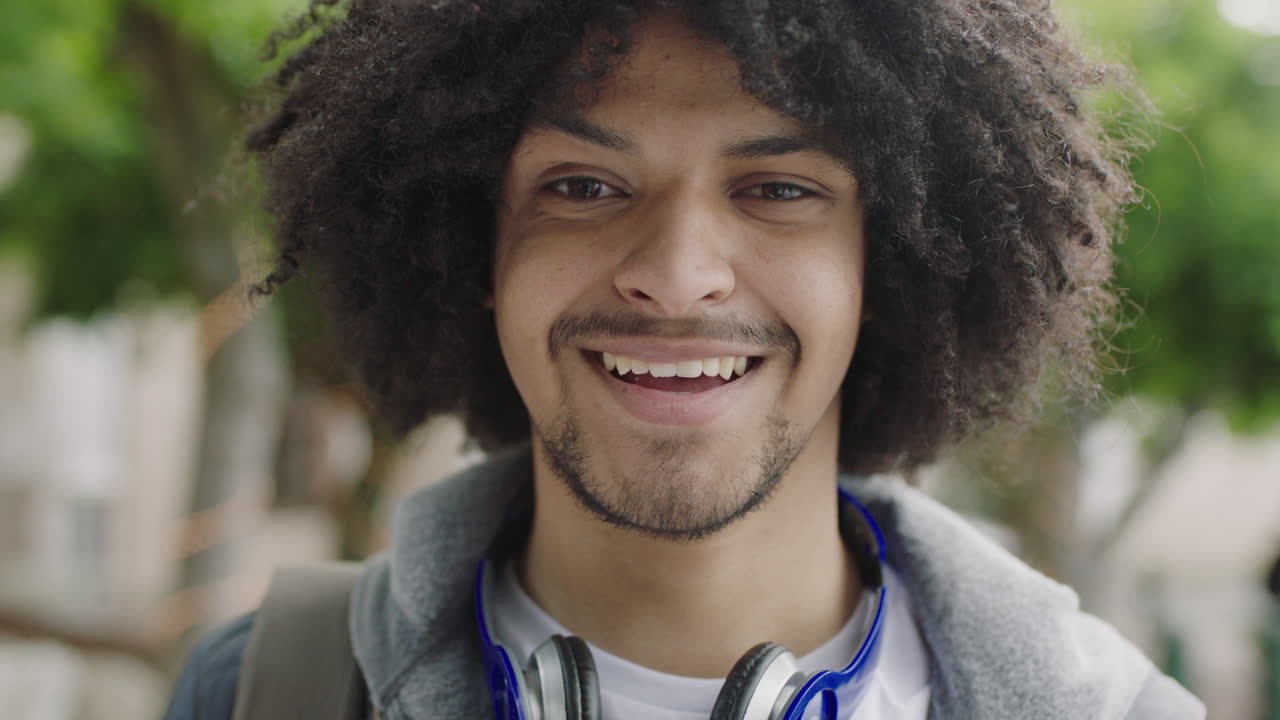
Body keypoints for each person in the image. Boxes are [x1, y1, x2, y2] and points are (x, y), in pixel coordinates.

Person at [164, 0, 1207, 718]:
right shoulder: (261, 690)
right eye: (581, 186)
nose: (674, 275)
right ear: (469, 249)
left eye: (777, 189)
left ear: (880, 270)